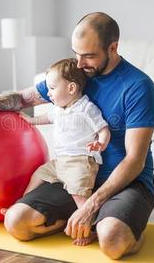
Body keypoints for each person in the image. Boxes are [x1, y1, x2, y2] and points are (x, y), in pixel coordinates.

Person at [0, 12, 154, 259]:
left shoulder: (138, 86)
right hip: (73, 176)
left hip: (126, 185)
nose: (79, 63)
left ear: (113, 48)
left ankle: (127, 230)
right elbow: (23, 98)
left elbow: (134, 161)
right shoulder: (76, 75)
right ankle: (79, 221)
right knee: (16, 222)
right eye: (76, 53)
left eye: (88, 56)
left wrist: (92, 204)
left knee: (112, 240)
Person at [20, 58, 110, 238]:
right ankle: (20, 203)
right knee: (38, 174)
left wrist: (101, 142)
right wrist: (30, 121)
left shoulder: (86, 108)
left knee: (79, 196)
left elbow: (103, 129)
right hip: (59, 161)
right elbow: (45, 118)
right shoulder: (58, 109)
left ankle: (88, 230)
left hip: (80, 162)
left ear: (71, 88)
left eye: (52, 89)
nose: (49, 94)